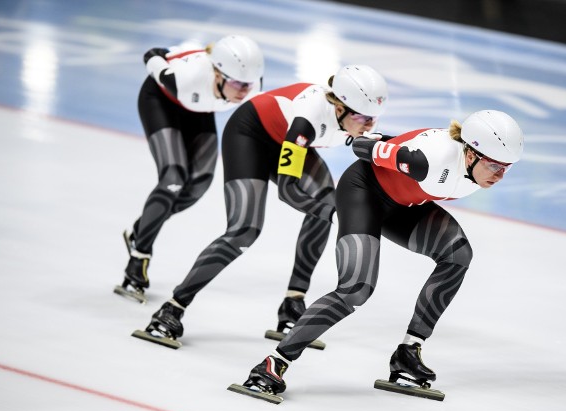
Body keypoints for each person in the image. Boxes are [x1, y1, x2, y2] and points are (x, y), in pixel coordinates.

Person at [236, 110, 524, 400]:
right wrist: (378, 144)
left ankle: (408, 353)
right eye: (494, 166)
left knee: (457, 255)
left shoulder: (470, 166)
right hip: (363, 194)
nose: (500, 175)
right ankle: (274, 363)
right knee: (355, 290)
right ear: (471, 154)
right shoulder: (429, 160)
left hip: (406, 204)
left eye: (507, 168)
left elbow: (394, 144)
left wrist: (388, 143)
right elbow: (362, 148)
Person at [133, 64, 389, 346]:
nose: (369, 126)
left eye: (374, 118)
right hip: (250, 136)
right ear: (339, 107)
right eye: (363, 117)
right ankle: (172, 308)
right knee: (244, 230)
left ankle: (293, 303)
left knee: (326, 202)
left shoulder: (355, 120)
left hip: (286, 141)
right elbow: (288, 192)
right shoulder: (309, 116)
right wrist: (335, 214)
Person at [114, 35, 265, 303]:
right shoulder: (185, 76)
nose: (243, 90)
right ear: (217, 73)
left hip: (200, 108)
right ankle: (139, 259)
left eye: (248, 84)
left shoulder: (252, 85)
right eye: (236, 83)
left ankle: (141, 229)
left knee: (200, 183)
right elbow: (151, 54)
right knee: (173, 176)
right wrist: (167, 52)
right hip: (161, 101)